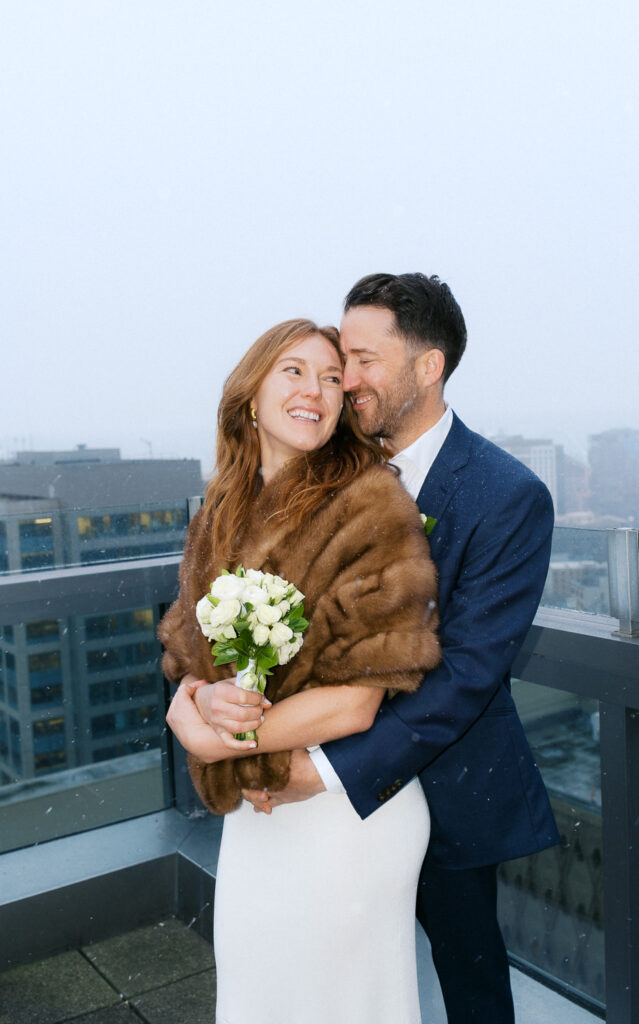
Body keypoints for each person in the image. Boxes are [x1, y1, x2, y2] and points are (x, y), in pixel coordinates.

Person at [202, 275, 560, 1024]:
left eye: (360, 360)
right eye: (339, 360)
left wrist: (319, 770)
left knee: (468, 977)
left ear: (426, 368)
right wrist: (205, 704)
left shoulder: (507, 494)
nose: (345, 378)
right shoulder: (320, 466)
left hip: (445, 783)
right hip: (306, 781)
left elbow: (466, 673)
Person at [160, 317, 442, 1024]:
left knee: (343, 1006)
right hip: (258, 811)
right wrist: (194, 698)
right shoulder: (218, 513)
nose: (315, 390)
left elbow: (357, 702)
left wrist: (212, 741)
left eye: (329, 378)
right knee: (257, 999)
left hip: (342, 816)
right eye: (293, 370)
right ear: (250, 394)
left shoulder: (371, 502)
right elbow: (188, 655)